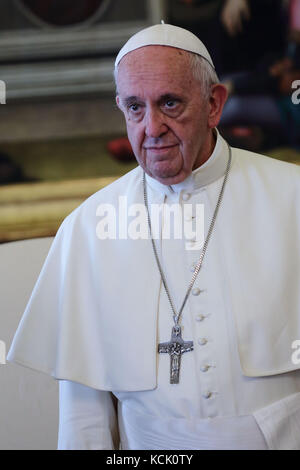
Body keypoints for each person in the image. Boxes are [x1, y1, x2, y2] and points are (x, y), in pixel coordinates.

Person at [7, 24, 300, 450]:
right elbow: (84, 413)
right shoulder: (88, 228)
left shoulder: (292, 197)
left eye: (169, 103)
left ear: (214, 104)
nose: (152, 127)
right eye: (134, 108)